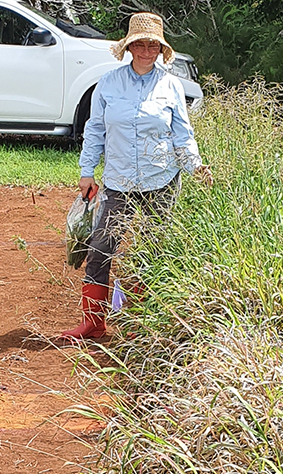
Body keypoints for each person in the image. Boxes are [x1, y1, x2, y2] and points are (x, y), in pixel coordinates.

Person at [61, 12, 213, 341]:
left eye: (153, 45)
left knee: (154, 249)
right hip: (119, 182)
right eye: (140, 44)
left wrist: (196, 166)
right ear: (129, 48)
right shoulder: (108, 83)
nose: (146, 50)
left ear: (161, 50)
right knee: (101, 247)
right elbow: (95, 129)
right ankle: (93, 323)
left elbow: (181, 135)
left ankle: (139, 322)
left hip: (162, 180)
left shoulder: (171, 85)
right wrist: (87, 172)